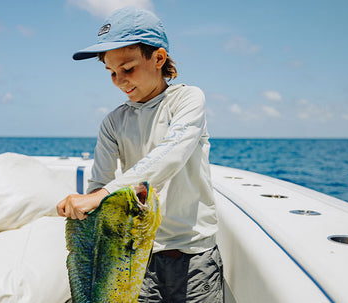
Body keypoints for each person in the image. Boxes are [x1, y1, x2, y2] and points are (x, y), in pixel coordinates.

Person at [57, 6, 223, 302]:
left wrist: (102, 193)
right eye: (111, 73)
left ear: (158, 58)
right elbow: (100, 185)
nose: (120, 80)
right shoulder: (113, 122)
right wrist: (83, 204)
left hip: (194, 256)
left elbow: (172, 152)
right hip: (135, 256)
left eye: (128, 68)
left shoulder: (186, 99)